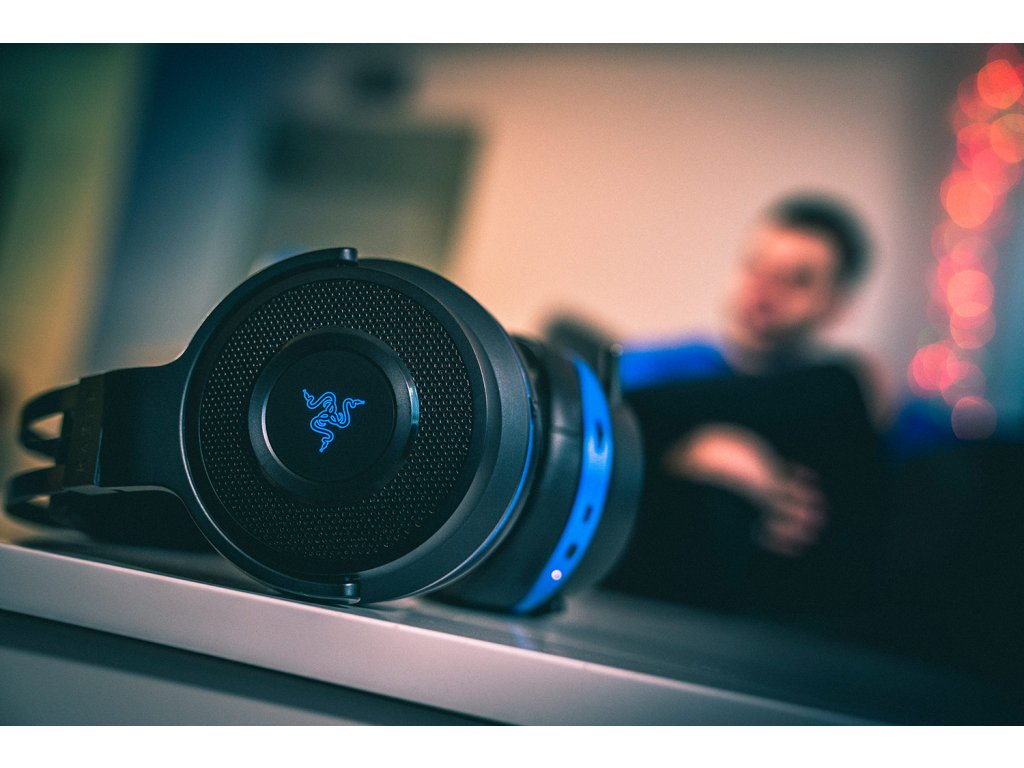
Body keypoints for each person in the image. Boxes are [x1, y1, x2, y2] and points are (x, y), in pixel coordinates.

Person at [604, 194, 887, 616]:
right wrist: (689, 450)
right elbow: (594, 406)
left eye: (796, 280)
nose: (764, 290)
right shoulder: (664, 366)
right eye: (756, 267)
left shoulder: (833, 396)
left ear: (835, 305)